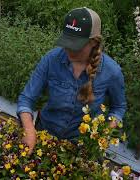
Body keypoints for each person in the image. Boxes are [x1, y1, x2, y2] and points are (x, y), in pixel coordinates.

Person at [16, 7, 127, 154]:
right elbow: (26, 98)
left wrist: (103, 135)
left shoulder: (111, 71)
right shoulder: (51, 59)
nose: (68, 50)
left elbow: (119, 107)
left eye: (76, 46)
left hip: (81, 147)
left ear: (94, 42)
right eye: (66, 43)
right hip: (45, 135)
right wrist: (30, 131)